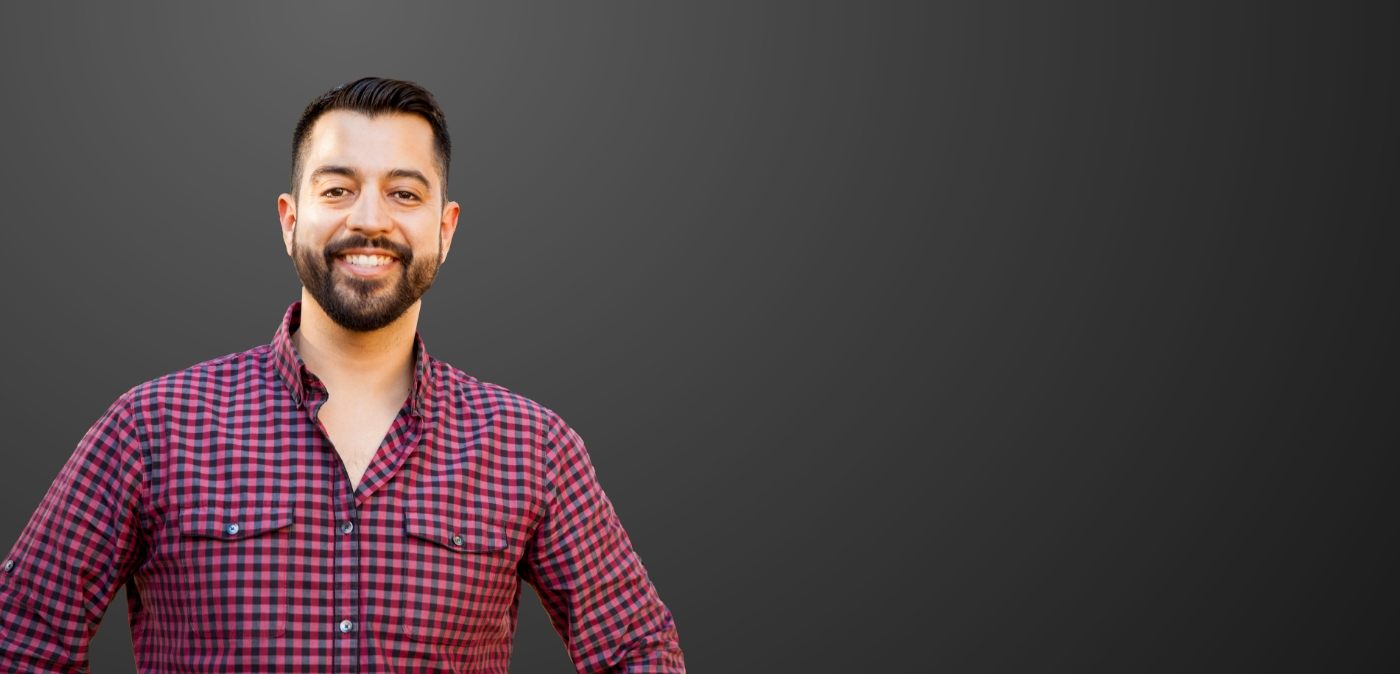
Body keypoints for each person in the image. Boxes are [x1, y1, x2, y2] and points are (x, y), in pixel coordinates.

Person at [0, 77, 685, 673]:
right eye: (338, 188)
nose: (369, 220)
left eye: (404, 194)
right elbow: (21, 639)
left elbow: (638, 653)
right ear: (289, 217)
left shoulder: (533, 448)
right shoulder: (151, 426)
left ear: (446, 229)